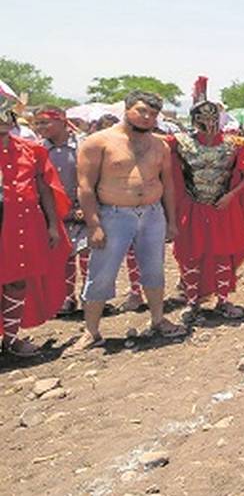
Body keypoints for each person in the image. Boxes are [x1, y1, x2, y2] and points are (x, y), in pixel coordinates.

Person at [75, 90, 185, 348]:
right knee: (102, 272)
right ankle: (91, 331)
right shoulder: (98, 142)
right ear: (126, 109)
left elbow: (167, 185)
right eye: (142, 111)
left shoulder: (160, 145)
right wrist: (94, 225)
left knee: (154, 269)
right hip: (114, 214)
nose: (147, 118)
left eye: (153, 114)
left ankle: (158, 320)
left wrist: (171, 221)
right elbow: (85, 187)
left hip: (152, 214)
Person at [169, 77, 244, 322]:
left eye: (212, 118)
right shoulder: (179, 144)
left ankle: (224, 300)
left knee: (222, 254)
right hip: (193, 207)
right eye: (203, 119)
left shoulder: (235, 145)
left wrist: (231, 196)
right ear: (194, 120)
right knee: (191, 254)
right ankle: (192, 300)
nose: (208, 123)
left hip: (222, 208)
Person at [0, 81, 70, 356]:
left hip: (24, 225)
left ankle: (11, 340)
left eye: (7, 117)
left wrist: (53, 225)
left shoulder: (32, 150)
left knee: (17, 280)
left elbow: (45, 189)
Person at [33, 105, 87, 315]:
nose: (40, 127)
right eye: (37, 123)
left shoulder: (83, 145)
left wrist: (84, 206)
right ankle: (66, 298)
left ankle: (89, 296)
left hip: (83, 210)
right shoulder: (37, 150)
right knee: (62, 257)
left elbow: (89, 179)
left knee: (87, 254)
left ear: (62, 120)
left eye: (45, 122)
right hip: (53, 214)